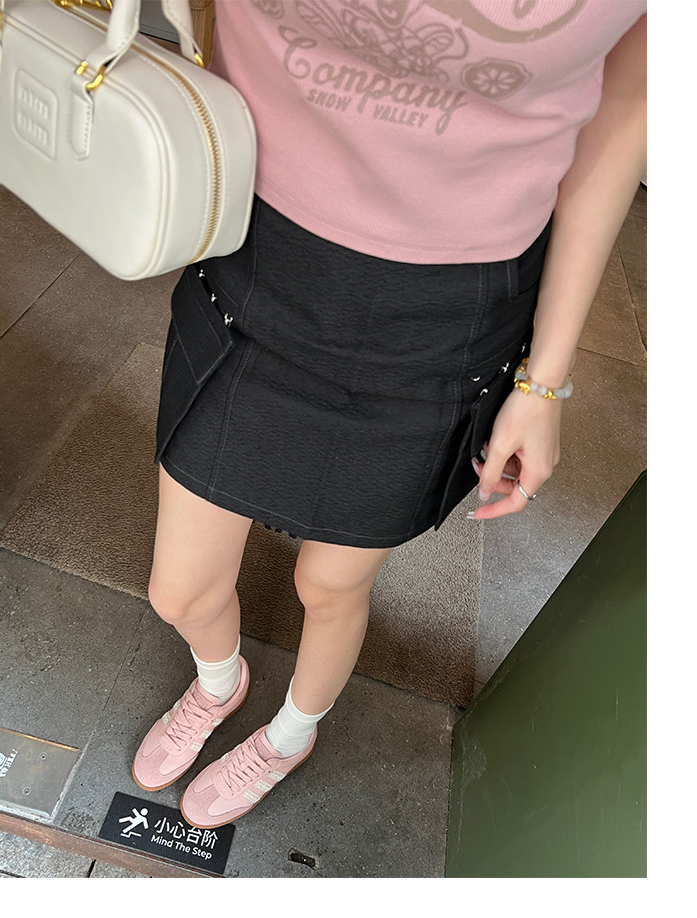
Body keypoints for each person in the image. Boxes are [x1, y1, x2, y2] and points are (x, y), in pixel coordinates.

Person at [132, 0, 647, 830]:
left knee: (331, 584)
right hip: (256, 246)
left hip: (444, 314)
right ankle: (219, 684)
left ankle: (289, 736)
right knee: (180, 589)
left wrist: (545, 381)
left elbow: (625, 113)